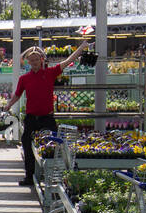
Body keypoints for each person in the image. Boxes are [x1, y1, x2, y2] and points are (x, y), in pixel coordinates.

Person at [5, 41, 89, 187]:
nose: (34, 62)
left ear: (41, 60)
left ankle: (57, 178)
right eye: (32, 60)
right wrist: (8, 105)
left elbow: (68, 61)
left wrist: (81, 49)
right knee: (26, 145)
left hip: (47, 118)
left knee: (56, 146)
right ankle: (29, 177)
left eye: (37, 59)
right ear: (28, 62)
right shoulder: (24, 78)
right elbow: (17, 94)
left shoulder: (50, 73)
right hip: (31, 118)